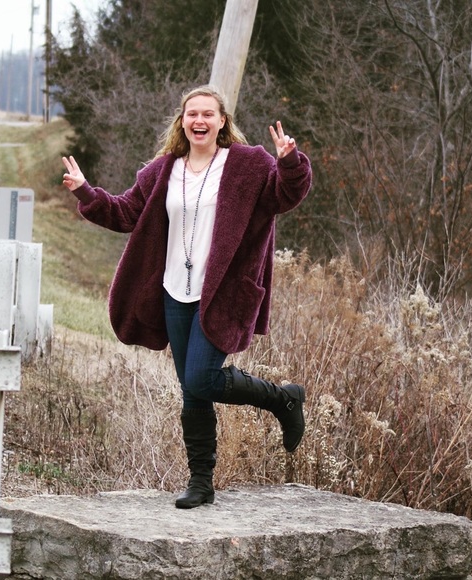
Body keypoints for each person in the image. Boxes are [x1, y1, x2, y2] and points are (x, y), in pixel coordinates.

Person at [62, 85, 312, 509]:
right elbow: (125, 212)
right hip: (174, 292)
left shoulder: (248, 164)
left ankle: (282, 398)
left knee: (200, 378)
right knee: (193, 392)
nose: (199, 120)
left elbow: (284, 195)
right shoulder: (162, 171)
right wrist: (86, 190)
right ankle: (201, 482)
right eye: (192, 113)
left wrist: (290, 161)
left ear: (222, 121)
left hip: (223, 294)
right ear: (182, 121)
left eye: (208, 114)